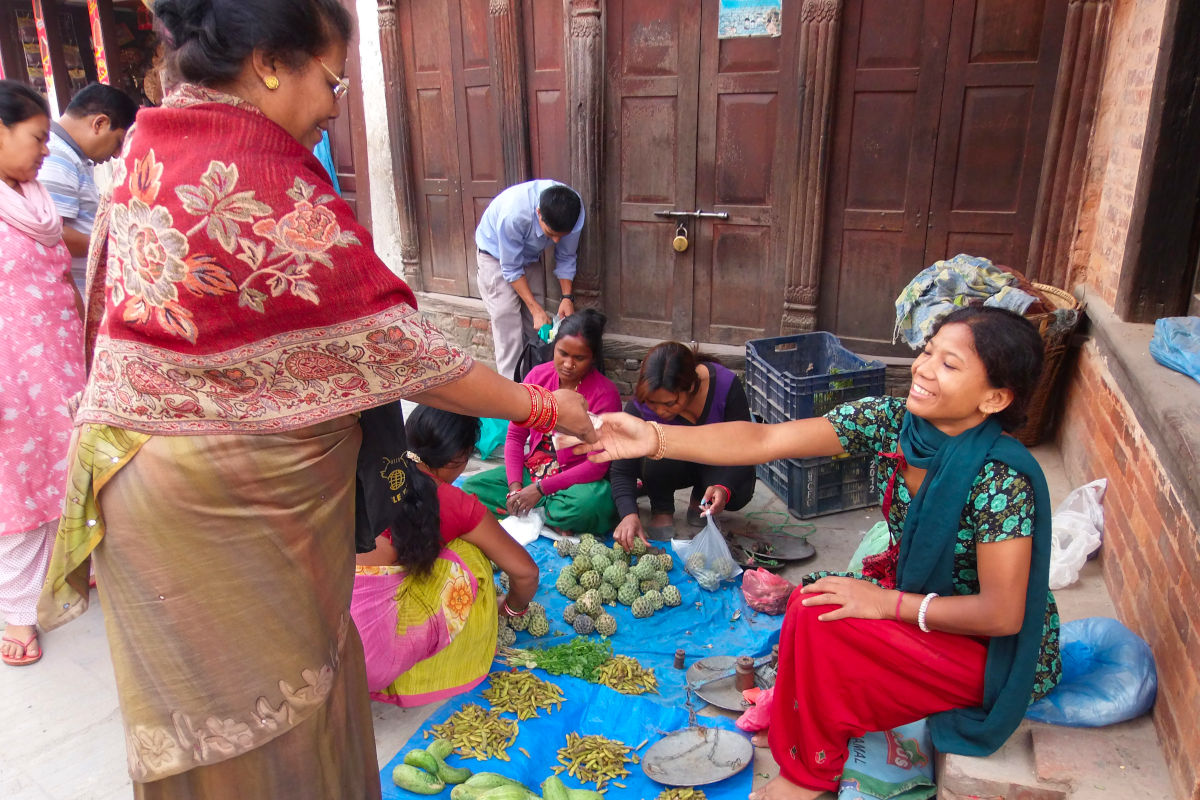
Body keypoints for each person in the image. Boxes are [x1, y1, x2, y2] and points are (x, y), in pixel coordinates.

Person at [35, 1, 594, 797]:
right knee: (271, 724)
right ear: (269, 62)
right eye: (332, 79)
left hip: (147, 489)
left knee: (221, 721)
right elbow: (405, 355)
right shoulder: (251, 176)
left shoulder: (147, 148)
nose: (335, 105)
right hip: (222, 508)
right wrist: (546, 408)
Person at [582, 306, 1060, 800]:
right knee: (811, 602)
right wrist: (655, 437)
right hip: (926, 606)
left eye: (950, 364)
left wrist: (885, 604)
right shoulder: (891, 422)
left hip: (989, 649)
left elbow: (1003, 614)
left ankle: (809, 775)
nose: (922, 367)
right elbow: (765, 438)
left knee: (824, 624)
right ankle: (804, 730)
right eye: (927, 351)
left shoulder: (1002, 478)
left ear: (995, 397)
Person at [352, 406, 536, 706]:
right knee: (470, 553)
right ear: (460, 458)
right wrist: (509, 607)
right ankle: (439, 668)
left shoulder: (365, 471)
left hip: (318, 649)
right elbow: (526, 573)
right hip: (371, 664)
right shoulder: (455, 503)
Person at [0, 80, 85, 668]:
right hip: (10, 375)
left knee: (71, 465)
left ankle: (67, 569)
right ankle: (15, 611)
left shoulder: (33, 200)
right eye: (35, 139)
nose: (45, 152)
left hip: (56, 362)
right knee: (16, 489)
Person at [463, 308, 620, 534]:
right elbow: (516, 437)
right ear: (553, 347)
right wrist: (515, 488)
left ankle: (538, 511)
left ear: (593, 358)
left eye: (579, 358)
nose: (568, 364)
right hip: (535, 470)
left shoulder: (605, 394)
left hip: (575, 482)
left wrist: (540, 489)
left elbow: (598, 464)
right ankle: (548, 516)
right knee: (471, 489)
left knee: (593, 501)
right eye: (562, 353)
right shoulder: (537, 376)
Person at [608, 341, 756, 545]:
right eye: (654, 403)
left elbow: (745, 448)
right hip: (669, 466)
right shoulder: (641, 405)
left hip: (714, 459)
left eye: (669, 403)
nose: (660, 411)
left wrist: (724, 487)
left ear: (692, 387)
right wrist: (628, 514)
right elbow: (622, 468)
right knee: (655, 443)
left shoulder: (725, 385)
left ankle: (700, 499)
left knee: (741, 486)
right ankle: (661, 507)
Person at [37, 82, 138, 300]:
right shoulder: (57, 156)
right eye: (119, 142)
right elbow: (56, 234)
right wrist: (118, 244)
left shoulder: (70, 156)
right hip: (75, 296)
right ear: (100, 124)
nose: (119, 154)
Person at [475, 179, 584, 380]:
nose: (557, 241)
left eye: (562, 235)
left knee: (538, 328)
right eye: (551, 234)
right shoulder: (514, 214)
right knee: (507, 320)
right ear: (538, 213)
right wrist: (535, 309)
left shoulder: (574, 213)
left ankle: (536, 381)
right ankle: (511, 391)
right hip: (496, 257)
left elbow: (566, 256)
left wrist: (567, 297)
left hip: (530, 256)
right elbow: (511, 268)